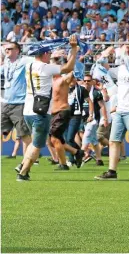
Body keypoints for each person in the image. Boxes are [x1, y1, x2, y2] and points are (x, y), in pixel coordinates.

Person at [17, 35, 79, 181]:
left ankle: (22, 166)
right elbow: (68, 67)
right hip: (41, 111)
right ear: (44, 54)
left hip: (28, 110)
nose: (50, 55)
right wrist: (74, 49)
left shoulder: (29, 65)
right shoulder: (46, 68)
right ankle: (23, 172)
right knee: (37, 144)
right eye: (49, 53)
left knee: (34, 142)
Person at [94, 45, 129, 181]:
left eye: (126, 53)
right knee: (114, 141)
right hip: (120, 110)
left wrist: (123, 52)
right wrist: (105, 54)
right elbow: (99, 68)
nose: (122, 55)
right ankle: (112, 171)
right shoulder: (119, 70)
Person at [1, 42, 32, 167]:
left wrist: (53, 56)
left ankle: (25, 164)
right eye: (6, 49)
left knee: (25, 136)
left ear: (17, 51)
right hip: (6, 102)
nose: (7, 50)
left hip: (19, 104)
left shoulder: (25, 61)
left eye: (10, 49)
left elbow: (38, 61)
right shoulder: (7, 63)